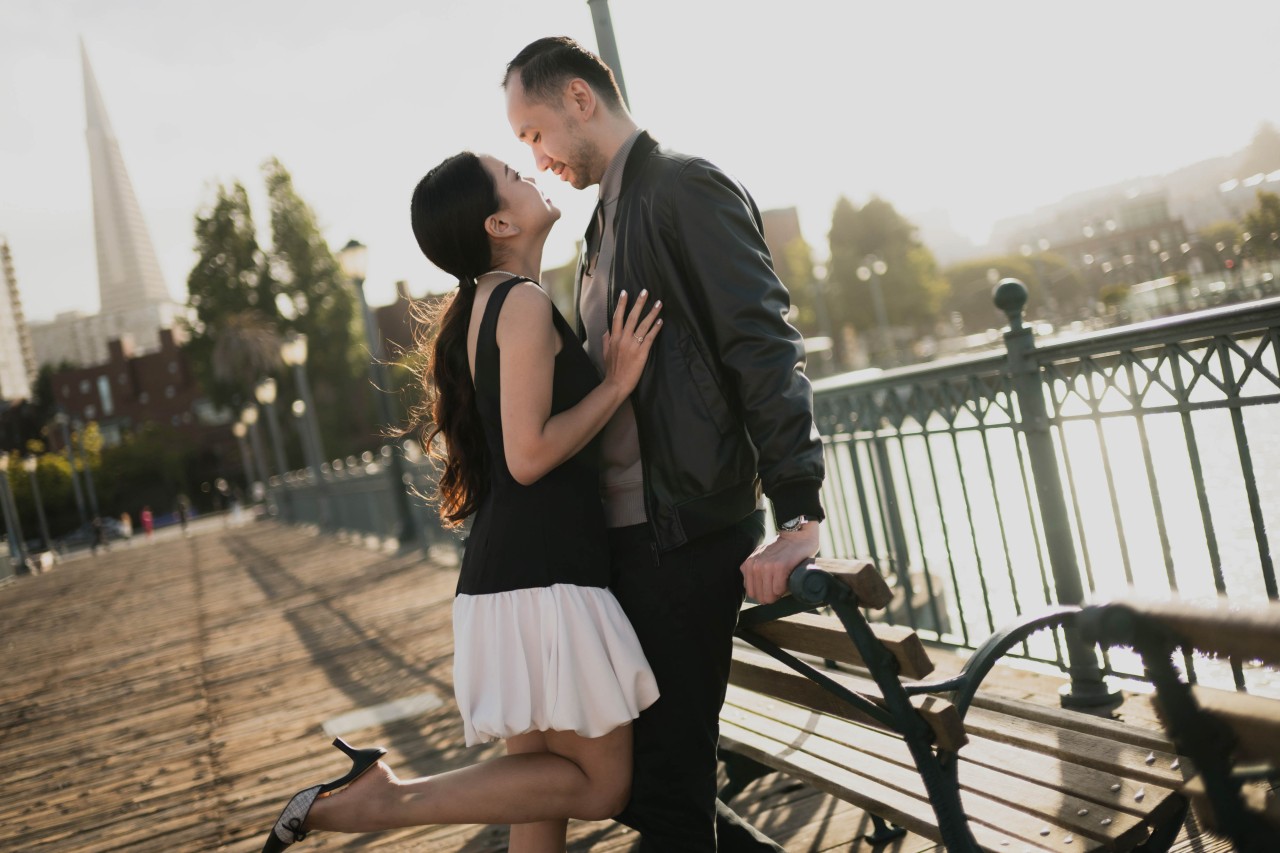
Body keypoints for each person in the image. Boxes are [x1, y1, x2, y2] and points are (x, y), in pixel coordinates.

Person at [258, 150, 663, 852]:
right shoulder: (522, 303)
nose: (530, 174)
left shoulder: (486, 304)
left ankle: (382, 795)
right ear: (499, 223)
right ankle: (385, 798)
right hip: (545, 580)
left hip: (509, 579)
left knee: (539, 798)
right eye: (513, 175)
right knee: (600, 787)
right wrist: (616, 385)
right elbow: (527, 456)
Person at [502, 37, 826, 852]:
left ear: (580, 99)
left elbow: (761, 342)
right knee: (641, 781)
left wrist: (799, 511)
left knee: (665, 788)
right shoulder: (605, 222)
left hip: (688, 533)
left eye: (535, 132)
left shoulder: (684, 187)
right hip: (634, 540)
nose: (537, 159)